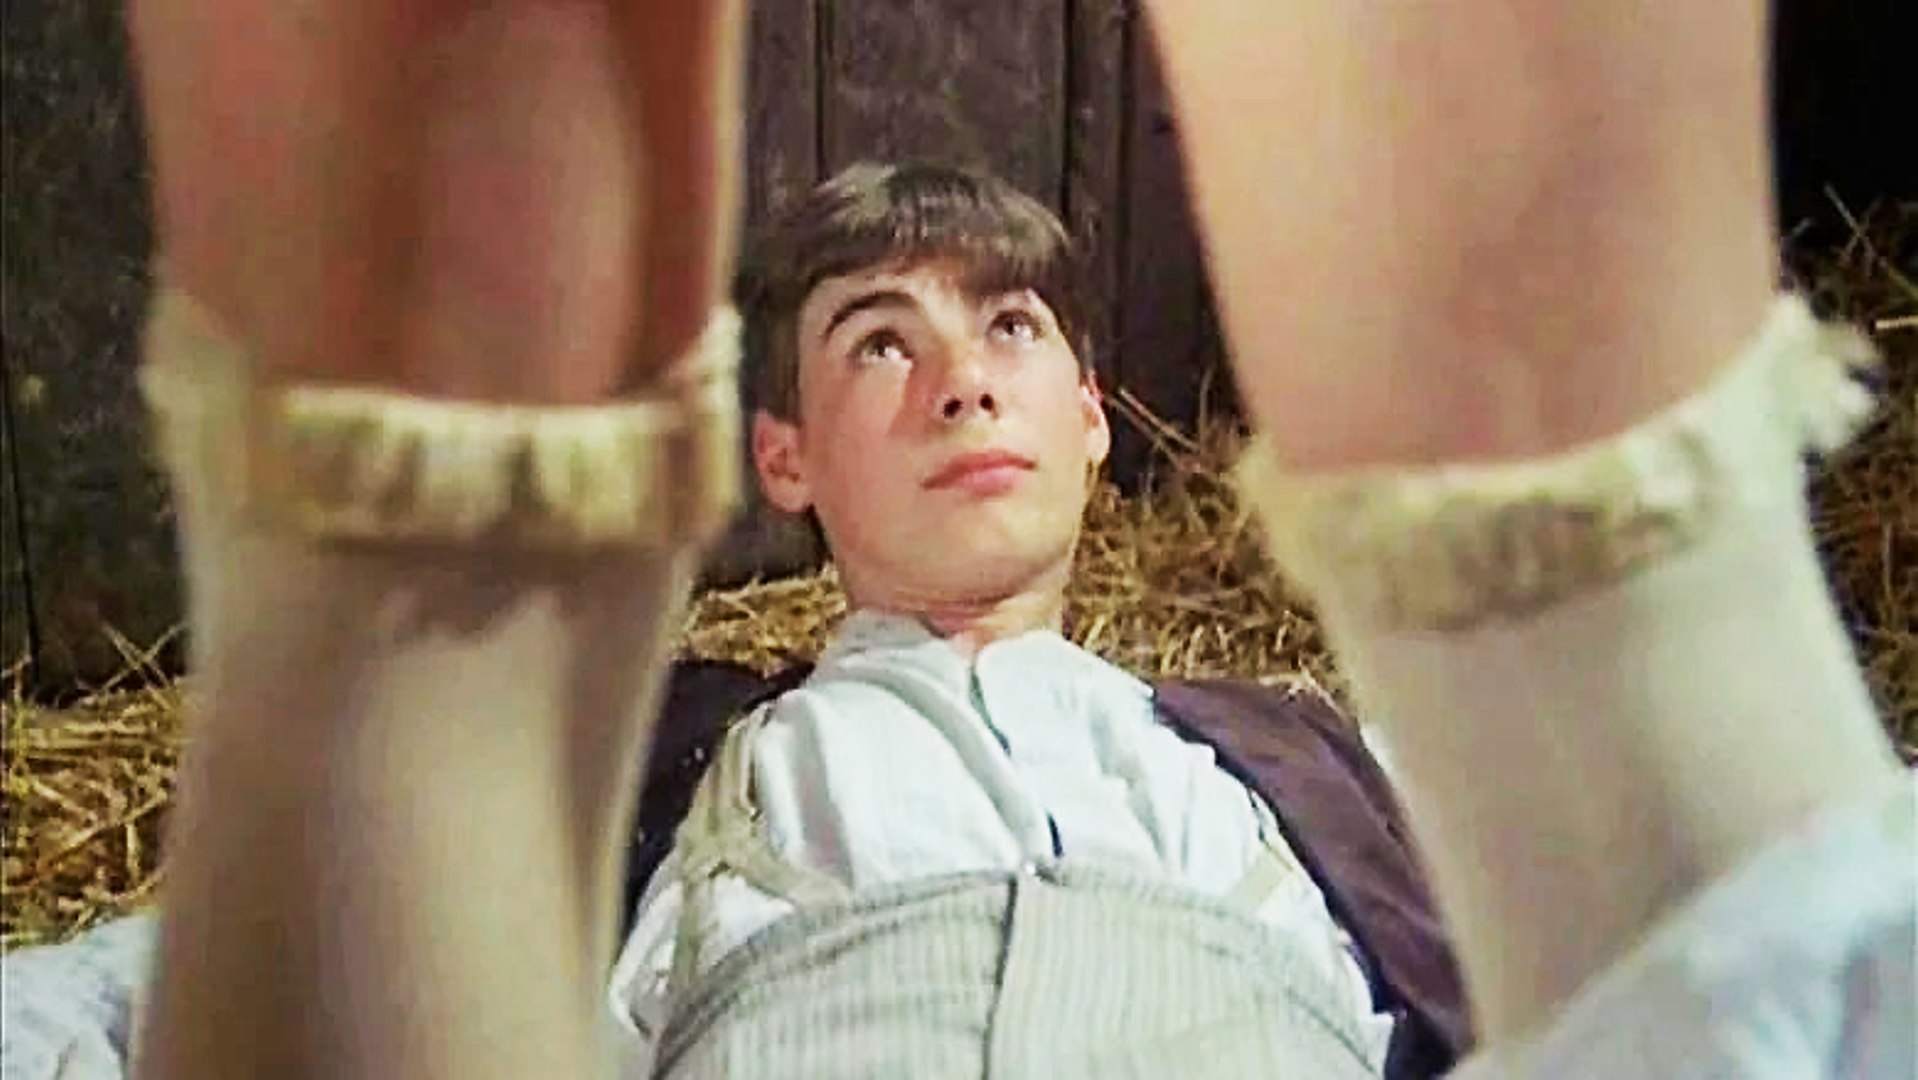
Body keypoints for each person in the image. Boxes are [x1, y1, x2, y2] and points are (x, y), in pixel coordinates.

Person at [29, 0, 1918, 1076]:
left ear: (1094, 421)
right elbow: (111, 993)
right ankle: (1595, 573)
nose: (959, 385)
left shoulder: (1313, 760)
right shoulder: (658, 760)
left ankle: (406, 593)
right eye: (881, 342)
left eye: (1011, 330)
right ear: (779, 455)